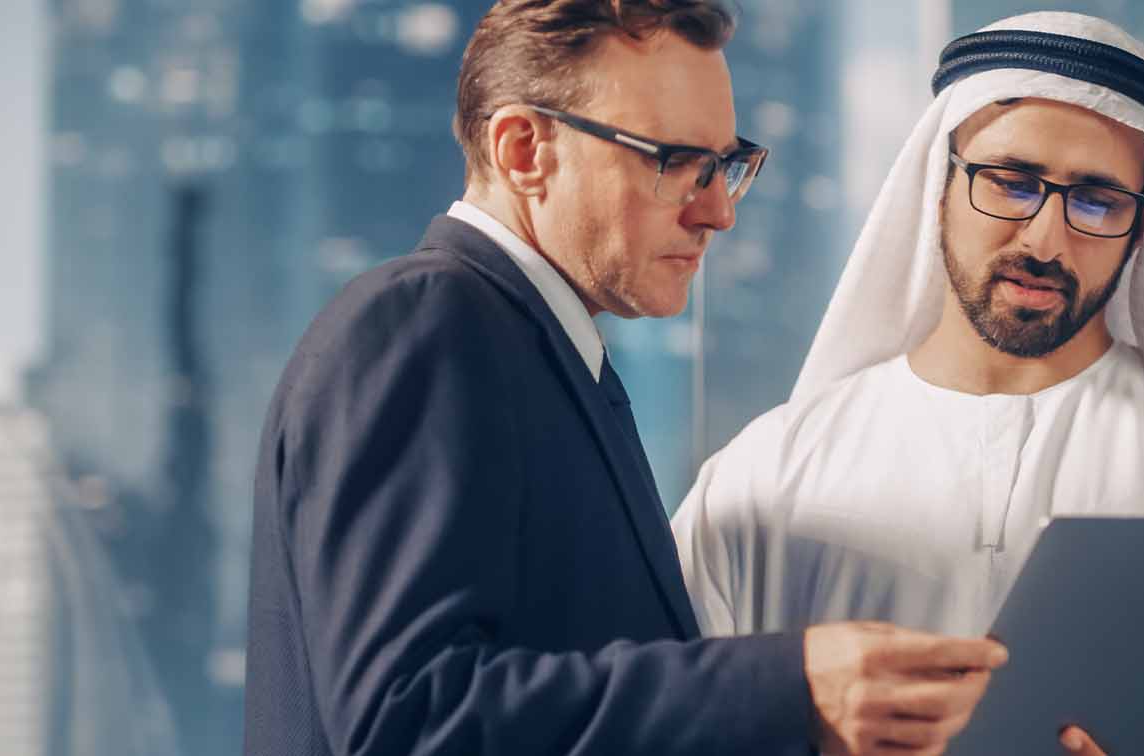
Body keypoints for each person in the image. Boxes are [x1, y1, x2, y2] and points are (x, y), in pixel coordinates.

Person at [244, 2, 1008, 754]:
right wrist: (791, 689)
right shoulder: (423, 324)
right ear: (523, 150)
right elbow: (407, 722)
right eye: (674, 162)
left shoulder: (544, 355)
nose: (718, 212)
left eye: (725, 166)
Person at [671, 11, 1144, 756]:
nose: (1044, 240)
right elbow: (674, 724)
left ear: (1142, 229)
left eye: (1097, 200)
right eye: (1010, 183)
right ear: (938, 184)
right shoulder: (767, 473)